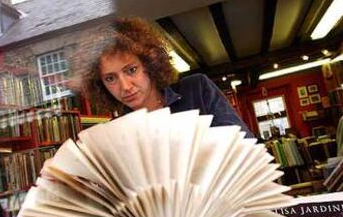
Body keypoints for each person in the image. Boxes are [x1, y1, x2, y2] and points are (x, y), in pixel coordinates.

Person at [81, 16, 253, 137]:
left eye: (131, 70)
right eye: (110, 78)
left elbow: (244, 145)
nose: (125, 86)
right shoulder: (116, 132)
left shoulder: (197, 89)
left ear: (149, 63)